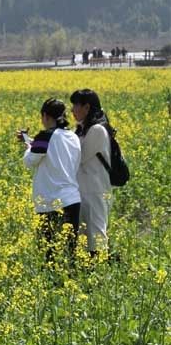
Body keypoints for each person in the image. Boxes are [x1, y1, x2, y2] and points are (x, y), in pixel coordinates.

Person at [16, 98, 81, 260]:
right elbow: (54, 151)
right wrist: (31, 142)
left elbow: (30, 160)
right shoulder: (72, 136)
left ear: (45, 116)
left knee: (49, 253)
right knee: (70, 251)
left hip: (50, 202)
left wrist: (29, 146)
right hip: (72, 200)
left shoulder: (45, 136)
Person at [70, 89, 113, 255]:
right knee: (84, 236)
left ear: (87, 108)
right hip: (83, 190)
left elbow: (78, 157)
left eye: (75, 106)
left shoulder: (97, 130)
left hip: (96, 190)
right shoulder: (81, 129)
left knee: (97, 232)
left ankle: (100, 271)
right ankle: (88, 270)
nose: (72, 110)